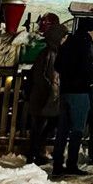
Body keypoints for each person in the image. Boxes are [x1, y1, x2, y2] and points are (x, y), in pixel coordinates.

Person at [51, 17, 93, 177]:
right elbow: (87, 68)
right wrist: (90, 79)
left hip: (65, 91)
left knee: (62, 129)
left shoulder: (68, 43)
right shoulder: (86, 45)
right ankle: (71, 163)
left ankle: (57, 165)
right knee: (77, 129)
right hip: (80, 91)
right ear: (90, 31)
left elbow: (57, 65)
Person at [26, 21, 66, 165]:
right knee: (41, 126)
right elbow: (47, 76)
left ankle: (36, 153)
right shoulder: (50, 53)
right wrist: (52, 90)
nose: (64, 39)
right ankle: (33, 155)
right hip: (45, 97)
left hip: (44, 96)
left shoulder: (50, 52)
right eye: (63, 37)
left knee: (43, 125)